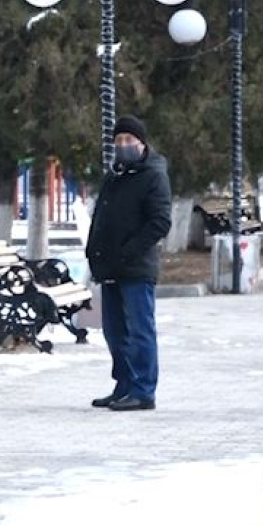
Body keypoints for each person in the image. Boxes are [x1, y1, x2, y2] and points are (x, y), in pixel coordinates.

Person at [85, 115, 171, 412]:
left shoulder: (153, 176)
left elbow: (160, 222)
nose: (123, 145)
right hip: (110, 267)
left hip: (136, 268)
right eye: (118, 140)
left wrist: (130, 250)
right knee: (115, 332)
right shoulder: (115, 176)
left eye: (129, 140)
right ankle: (123, 385)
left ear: (141, 143)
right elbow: (103, 216)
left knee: (139, 330)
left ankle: (143, 391)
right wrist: (94, 251)